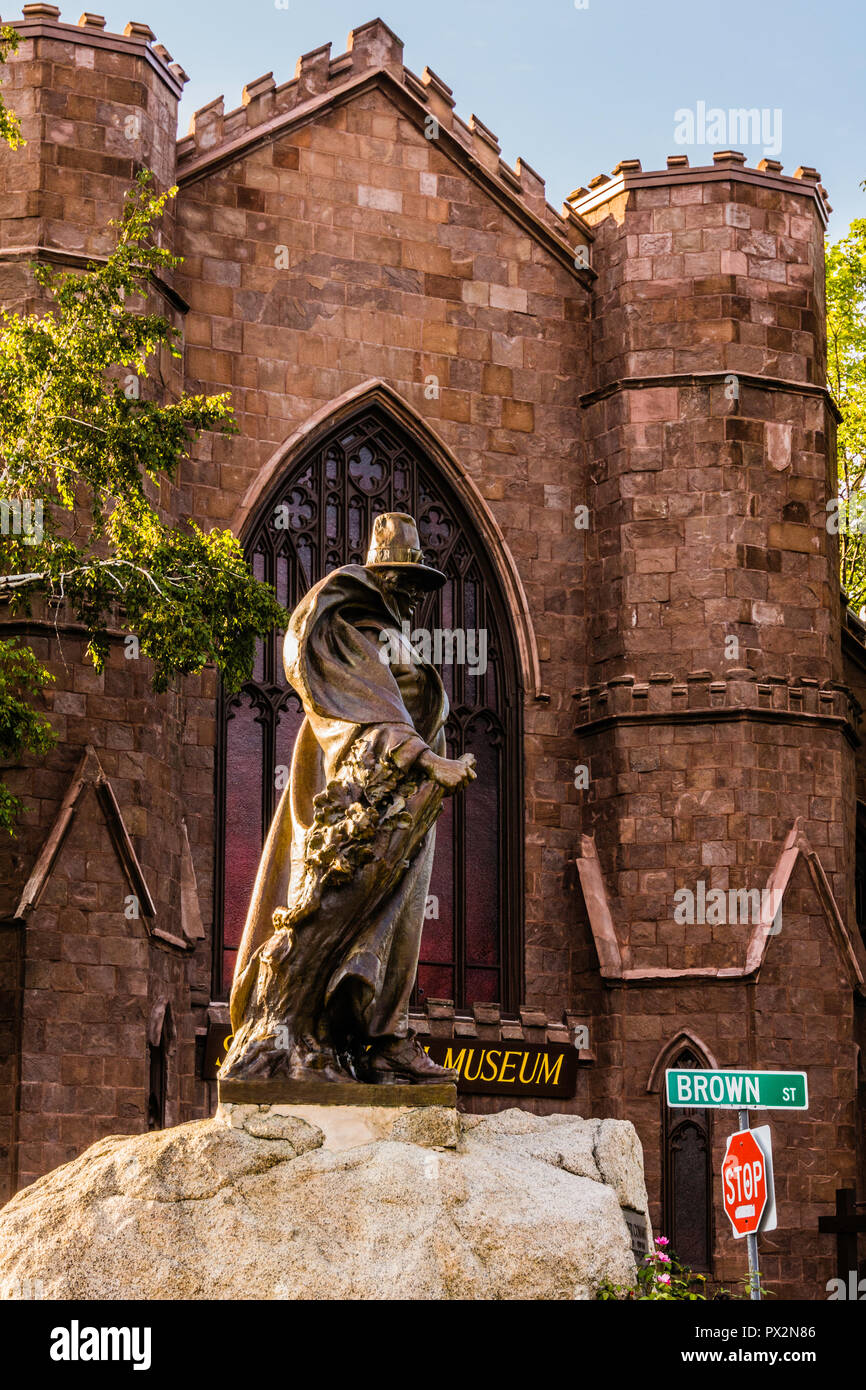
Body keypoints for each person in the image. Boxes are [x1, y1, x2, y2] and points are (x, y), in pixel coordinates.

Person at [222, 513, 476, 1085]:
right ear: (379, 576)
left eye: (419, 586)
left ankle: (382, 1037)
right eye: (404, 582)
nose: (413, 597)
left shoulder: (385, 635)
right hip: (361, 806)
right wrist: (428, 759)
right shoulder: (344, 630)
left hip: (405, 806)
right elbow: (370, 711)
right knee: (333, 913)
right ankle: (295, 1038)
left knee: (399, 919)